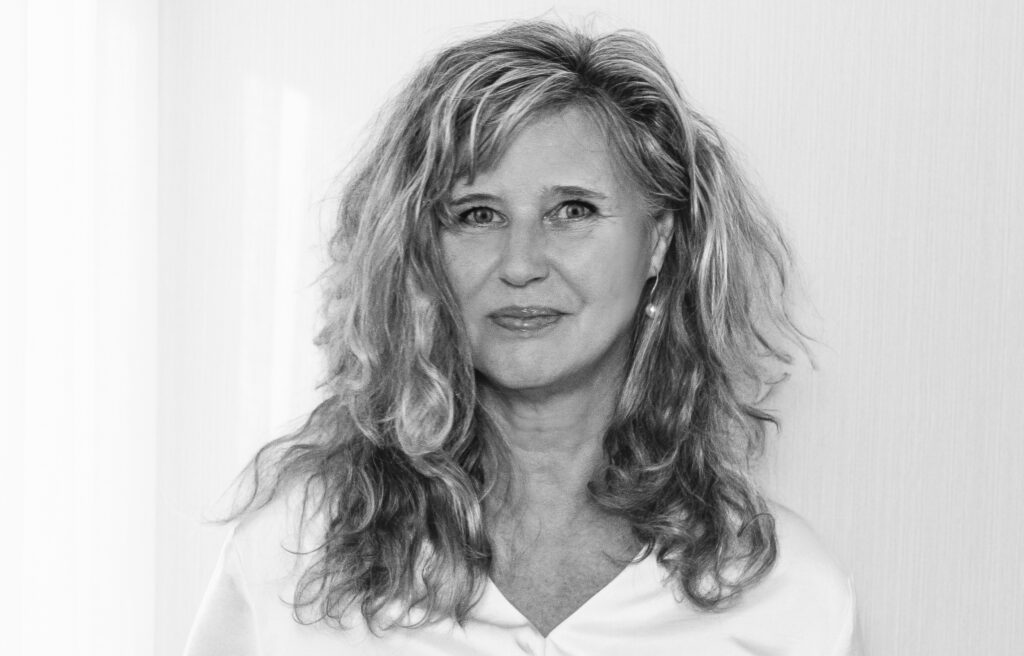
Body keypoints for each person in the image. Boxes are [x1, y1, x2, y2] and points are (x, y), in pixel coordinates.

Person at [184, 19, 861, 656]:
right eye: (478, 214)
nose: (521, 264)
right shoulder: (291, 556)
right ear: (422, 251)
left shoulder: (786, 592)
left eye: (573, 210)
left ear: (658, 241)